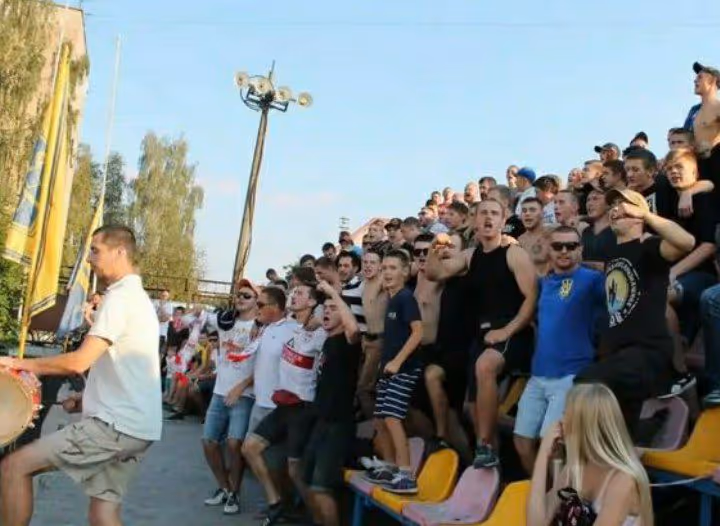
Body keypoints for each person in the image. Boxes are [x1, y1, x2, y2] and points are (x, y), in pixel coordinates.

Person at [0, 225, 161, 526]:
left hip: (115, 428)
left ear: (120, 252)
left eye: (96, 251)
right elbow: (128, 371)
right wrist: (86, 400)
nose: (89, 259)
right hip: (136, 428)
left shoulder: (120, 299)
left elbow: (78, 362)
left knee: (13, 467)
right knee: (102, 514)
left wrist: (18, 364)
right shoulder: (135, 297)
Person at [427, 199, 537, 469]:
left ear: (503, 221)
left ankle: (484, 444)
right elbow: (435, 273)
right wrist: (434, 249)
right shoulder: (469, 256)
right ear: (475, 221)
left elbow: (532, 298)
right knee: (474, 409)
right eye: (483, 213)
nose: (488, 218)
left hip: (513, 332)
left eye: (494, 214)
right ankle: (492, 464)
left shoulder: (514, 253)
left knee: (485, 366)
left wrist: (507, 330)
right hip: (483, 336)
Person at [574, 188, 695, 435]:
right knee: (622, 431)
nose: (616, 209)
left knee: (585, 384)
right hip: (617, 355)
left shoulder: (648, 245)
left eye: (624, 204)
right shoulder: (613, 254)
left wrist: (646, 215)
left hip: (646, 353)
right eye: (613, 205)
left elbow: (687, 242)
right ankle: (644, 431)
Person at [513, 227, 605, 475]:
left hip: (570, 375)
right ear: (549, 249)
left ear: (580, 249)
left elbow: (620, 288)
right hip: (538, 375)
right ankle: (542, 493)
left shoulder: (593, 280)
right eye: (557, 246)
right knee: (522, 443)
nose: (564, 251)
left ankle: (559, 497)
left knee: (553, 447)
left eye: (571, 246)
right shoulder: (542, 283)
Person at [242, 282, 327, 525]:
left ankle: (318, 518)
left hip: (302, 407)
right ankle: (275, 503)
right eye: (293, 292)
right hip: (282, 405)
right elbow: (269, 318)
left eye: (300, 293)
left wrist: (321, 320)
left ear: (312, 302)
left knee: (294, 472)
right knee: (249, 448)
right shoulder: (290, 328)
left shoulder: (320, 333)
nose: (294, 295)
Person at [528, 383, 652, 526]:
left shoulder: (623, 481)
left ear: (583, 426)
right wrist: (543, 454)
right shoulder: (576, 467)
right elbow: (536, 523)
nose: (561, 422)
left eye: (566, 414)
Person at [364, 249, 423, 493]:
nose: (387, 273)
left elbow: (418, 332)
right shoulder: (392, 298)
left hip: (404, 369)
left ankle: (406, 474)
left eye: (393, 268)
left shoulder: (405, 298)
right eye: (384, 268)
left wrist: (397, 362)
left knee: (392, 417)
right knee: (380, 418)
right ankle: (389, 467)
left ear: (405, 272)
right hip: (389, 369)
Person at [303, 282, 361, 526]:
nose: (327, 311)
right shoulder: (328, 342)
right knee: (306, 482)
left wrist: (334, 294)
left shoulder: (350, 343)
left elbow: (354, 328)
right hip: (321, 420)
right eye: (325, 308)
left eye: (333, 308)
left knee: (321, 488)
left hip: (338, 424)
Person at [200, 279, 259, 515]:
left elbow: (263, 366)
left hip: (244, 395)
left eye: (247, 295)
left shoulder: (261, 327)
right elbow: (198, 318)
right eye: (239, 295)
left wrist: (241, 387)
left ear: (257, 300)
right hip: (219, 392)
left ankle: (235, 492)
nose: (240, 298)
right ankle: (224, 487)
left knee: (235, 444)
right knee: (208, 442)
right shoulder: (225, 320)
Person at [358, 248, 389, 419]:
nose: (368, 266)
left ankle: (376, 427)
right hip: (365, 341)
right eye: (365, 262)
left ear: (380, 266)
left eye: (372, 262)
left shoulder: (383, 281)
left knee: (365, 388)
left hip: (379, 341)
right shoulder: (363, 284)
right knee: (364, 387)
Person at [687, 62, 720, 191]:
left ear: (713, 81)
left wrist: (712, 145)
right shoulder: (694, 111)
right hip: (696, 165)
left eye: (700, 77)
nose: (695, 80)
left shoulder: (718, 107)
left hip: (714, 163)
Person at [581, 183, 615, 271]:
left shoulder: (616, 231)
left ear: (609, 204)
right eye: (588, 200)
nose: (590, 204)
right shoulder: (586, 232)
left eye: (595, 199)